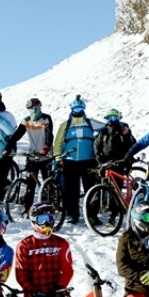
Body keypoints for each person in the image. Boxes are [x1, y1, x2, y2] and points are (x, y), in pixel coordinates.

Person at [14, 204, 74, 297]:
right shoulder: (25, 245)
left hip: (55, 293)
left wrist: (60, 287)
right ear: (34, 220)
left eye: (50, 218)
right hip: (35, 296)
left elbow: (68, 270)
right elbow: (20, 273)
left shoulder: (61, 243)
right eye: (42, 219)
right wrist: (31, 290)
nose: (47, 223)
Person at [52, 96, 101, 225]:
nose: (78, 111)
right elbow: (57, 142)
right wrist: (58, 156)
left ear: (84, 109)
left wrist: (120, 124)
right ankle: (73, 215)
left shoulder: (90, 123)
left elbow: (106, 127)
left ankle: (92, 216)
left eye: (80, 108)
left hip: (89, 161)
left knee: (91, 190)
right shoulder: (66, 125)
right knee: (71, 191)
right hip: (70, 161)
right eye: (75, 108)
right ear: (71, 109)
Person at [8, 98, 56, 208]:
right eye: (31, 109)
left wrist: (47, 147)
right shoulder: (26, 121)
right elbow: (17, 135)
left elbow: (49, 135)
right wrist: (8, 144)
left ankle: (47, 205)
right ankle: (27, 207)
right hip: (33, 155)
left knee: (46, 182)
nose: (34, 110)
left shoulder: (46, 118)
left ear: (40, 107)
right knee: (30, 182)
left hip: (46, 155)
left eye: (36, 108)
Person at [93, 108, 135, 173]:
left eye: (115, 118)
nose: (112, 120)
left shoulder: (124, 130)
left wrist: (128, 158)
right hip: (106, 162)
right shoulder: (104, 131)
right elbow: (96, 144)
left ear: (118, 118)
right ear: (107, 118)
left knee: (118, 182)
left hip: (120, 162)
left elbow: (132, 144)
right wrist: (99, 158)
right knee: (105, 181)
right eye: (110, 118)